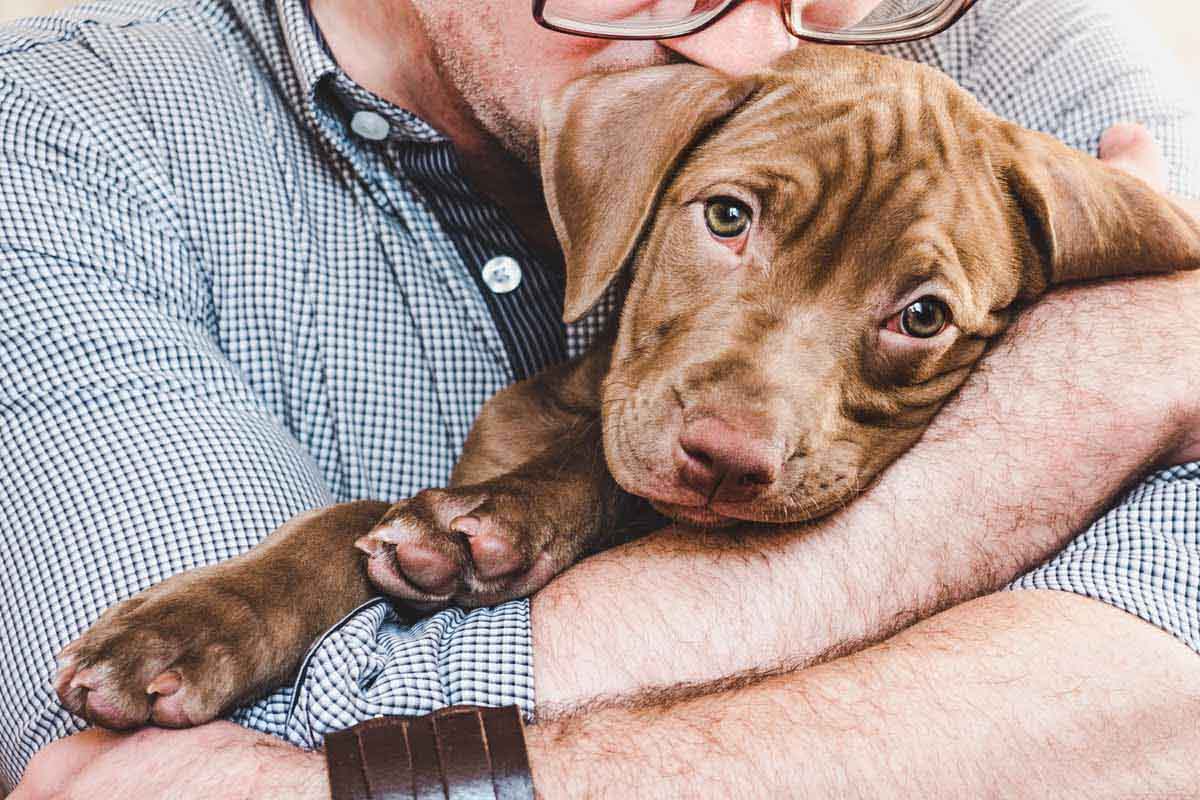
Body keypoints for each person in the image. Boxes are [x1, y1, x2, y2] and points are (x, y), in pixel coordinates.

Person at [4, 0, 1200, 796]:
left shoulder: (1010, 57)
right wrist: (1084, 401)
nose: (747, 50)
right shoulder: (66, 138)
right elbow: (216, 754)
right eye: (730, 215)